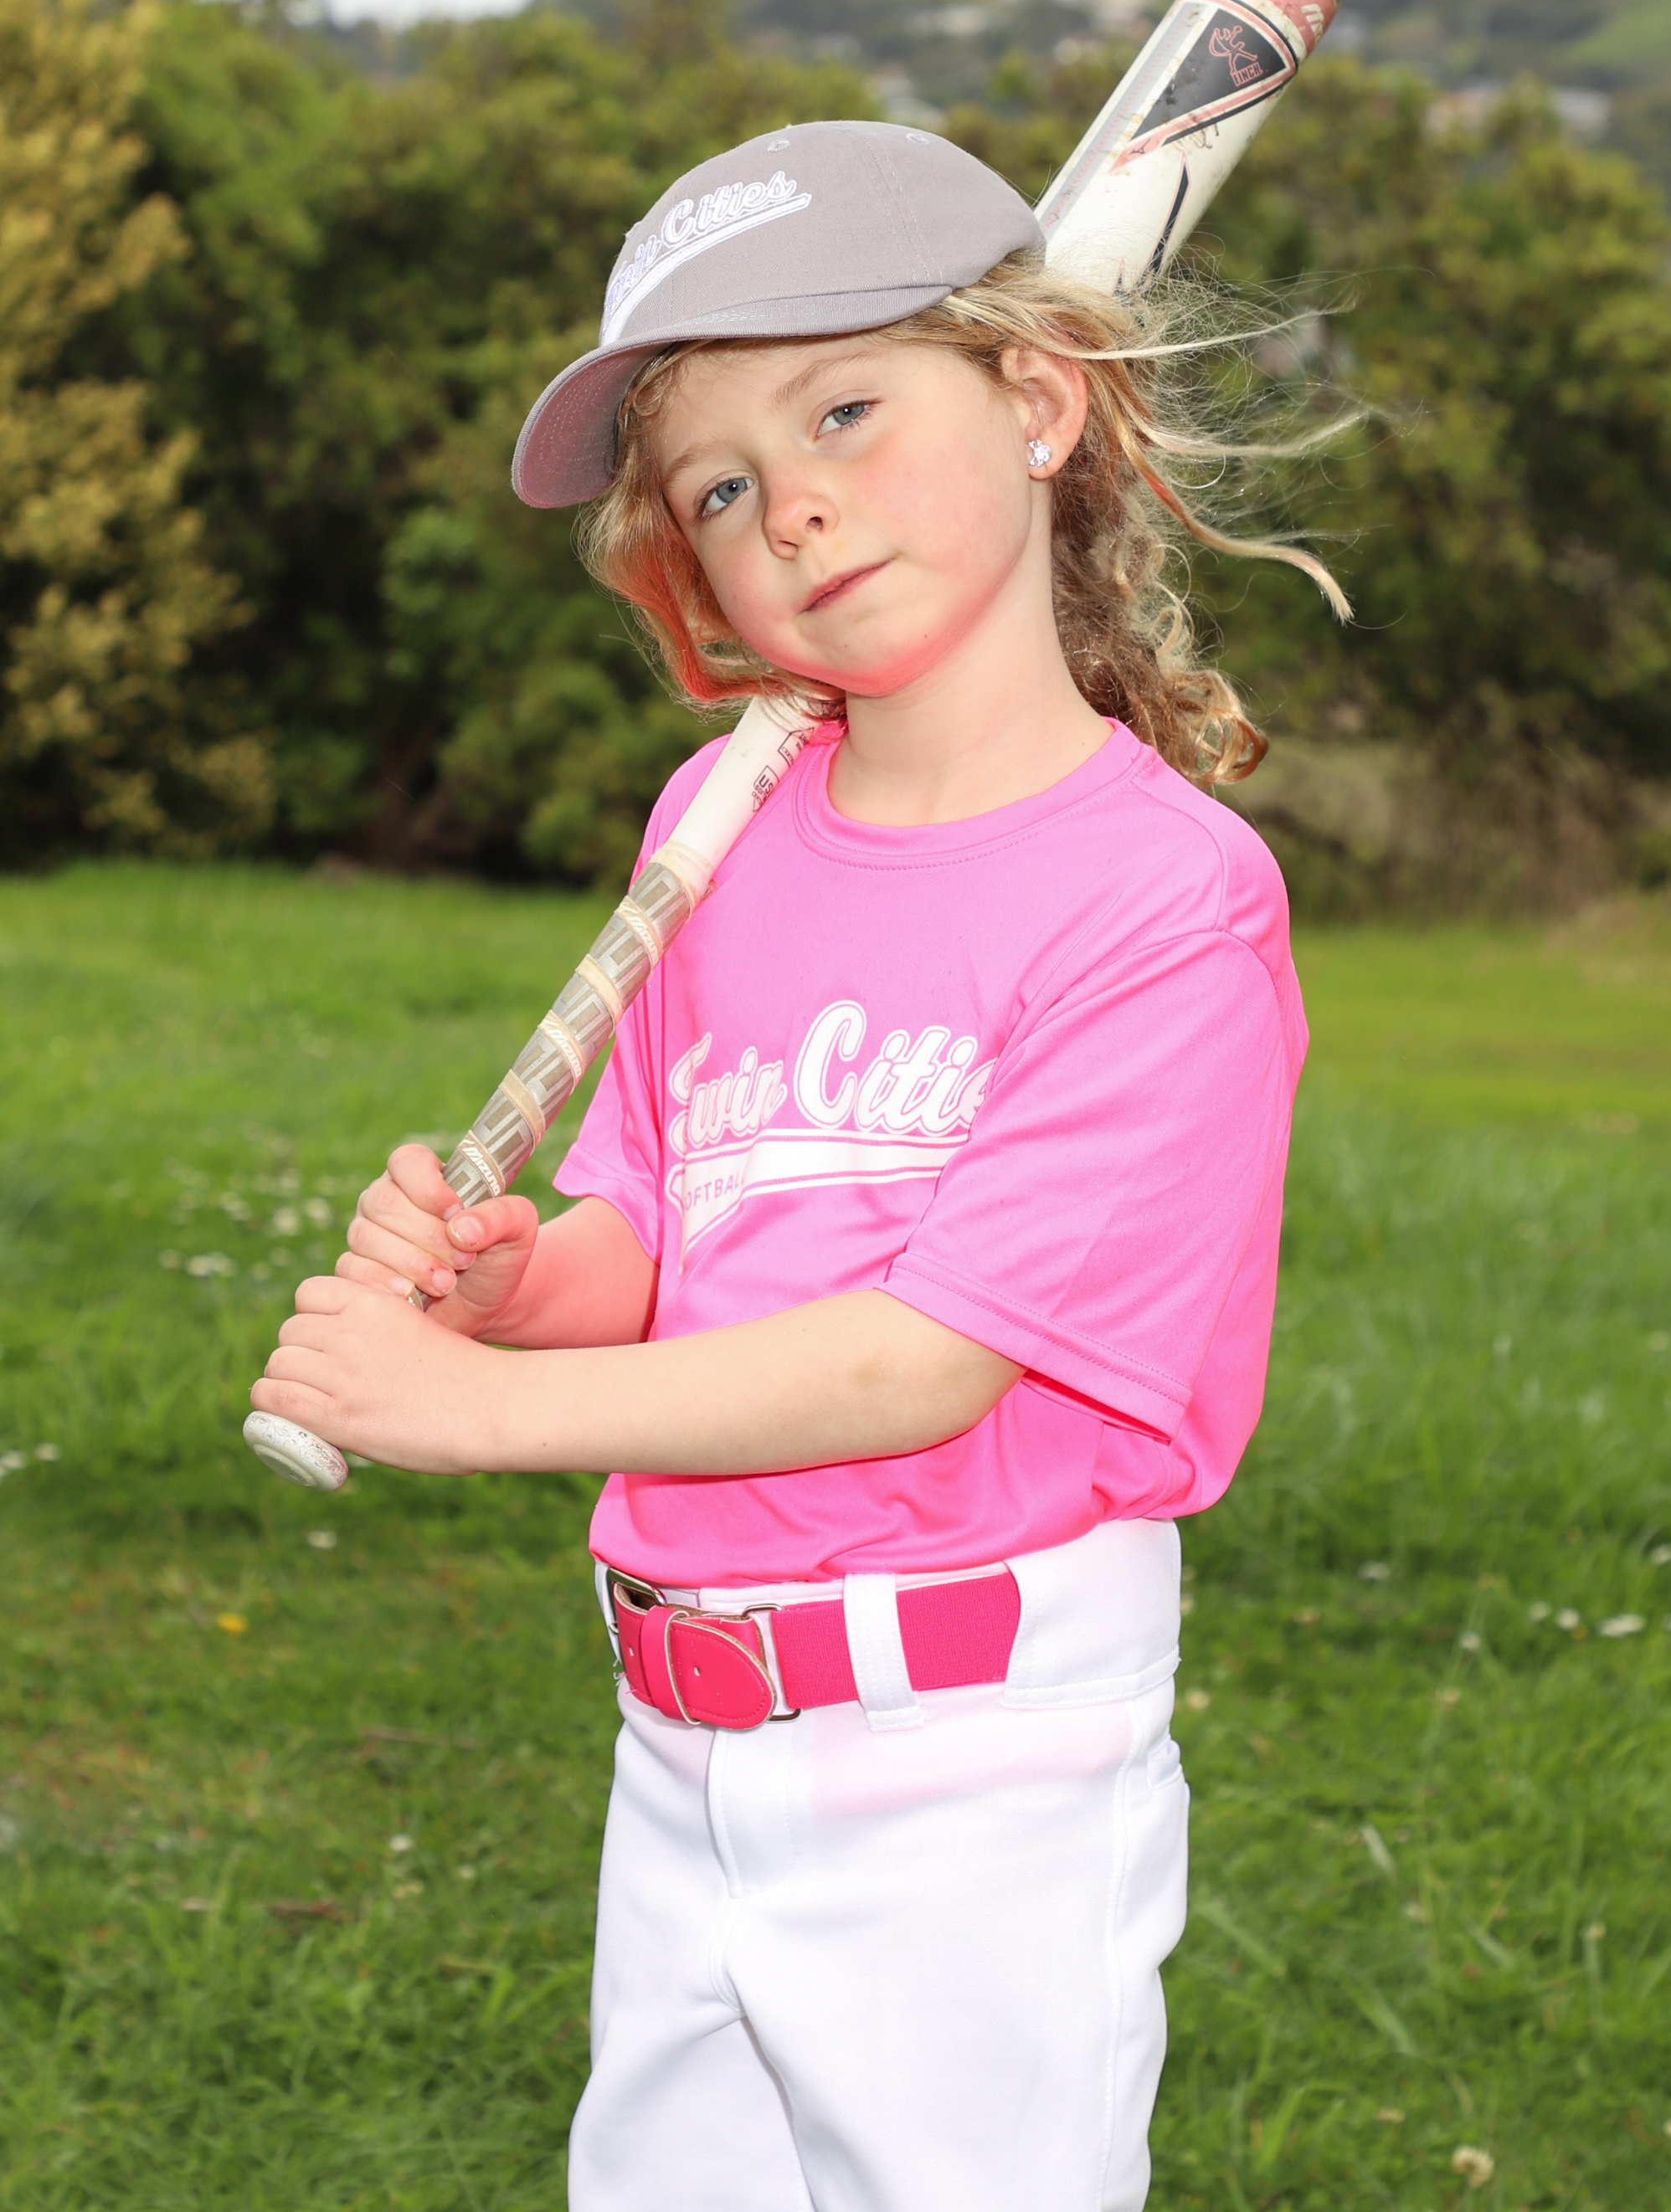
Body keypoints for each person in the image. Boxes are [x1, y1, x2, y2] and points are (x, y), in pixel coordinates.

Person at [253, 121, 1338, 2212]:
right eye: (722, 486)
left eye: (845, 409)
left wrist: (474, 1408)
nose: (795, 503)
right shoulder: (721, 826)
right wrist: (514, 1285)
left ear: (1037, 400)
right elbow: (664, 1233)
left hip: (975, 1761)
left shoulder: (1165, 900)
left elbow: (921, 1357)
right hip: (687, 1729)